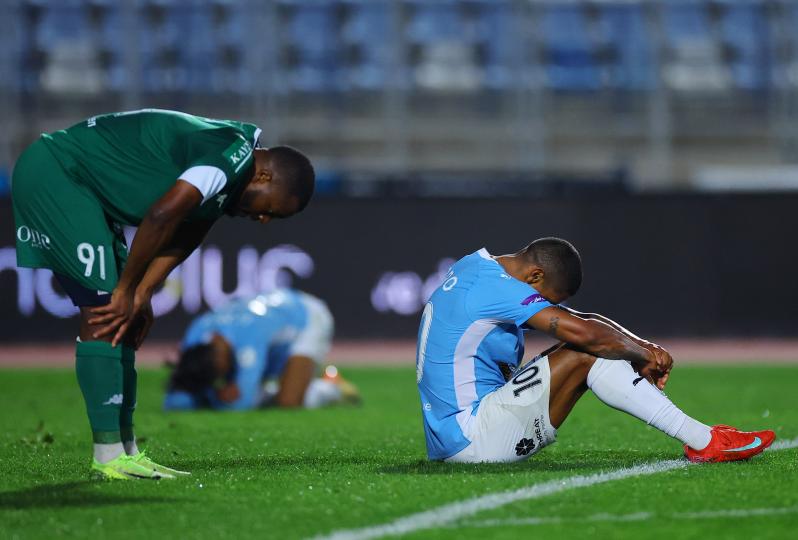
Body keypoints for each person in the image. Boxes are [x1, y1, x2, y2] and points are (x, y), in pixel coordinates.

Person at [11, 109, 315, 480]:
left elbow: (188, 232)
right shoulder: (230, 156)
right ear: (264, 176)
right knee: (105, 309)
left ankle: (126, 452)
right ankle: (108, 456)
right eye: (271, 210)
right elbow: (161, 216)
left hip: (82, 186)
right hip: (59, 174)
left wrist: (143, 292)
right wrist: (126, 288)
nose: (264, 220)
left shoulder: (229, 176)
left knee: (125, 317)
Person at [416, 237, 775, 463]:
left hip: (453, 435)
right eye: (546, 299)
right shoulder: (499, 289)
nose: (546, 306)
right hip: (472, 438)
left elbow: (581, 320)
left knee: (586, 343)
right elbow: (586, 334)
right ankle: (705, 440)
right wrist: (642, 355)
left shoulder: (476, 267)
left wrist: (643, 346)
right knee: (587, 350)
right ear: (536, 276)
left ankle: (706, 438)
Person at [163, 289, 359, 411]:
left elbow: (243, 403)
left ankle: (331, 387)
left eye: (221, 371)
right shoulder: (196, 333)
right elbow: (176, 399)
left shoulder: (248, 339)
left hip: (307, 318)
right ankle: (292, 381)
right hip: (274, 323)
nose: (225, 373)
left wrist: (210, 398)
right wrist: (213, 394)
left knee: (288, 402)